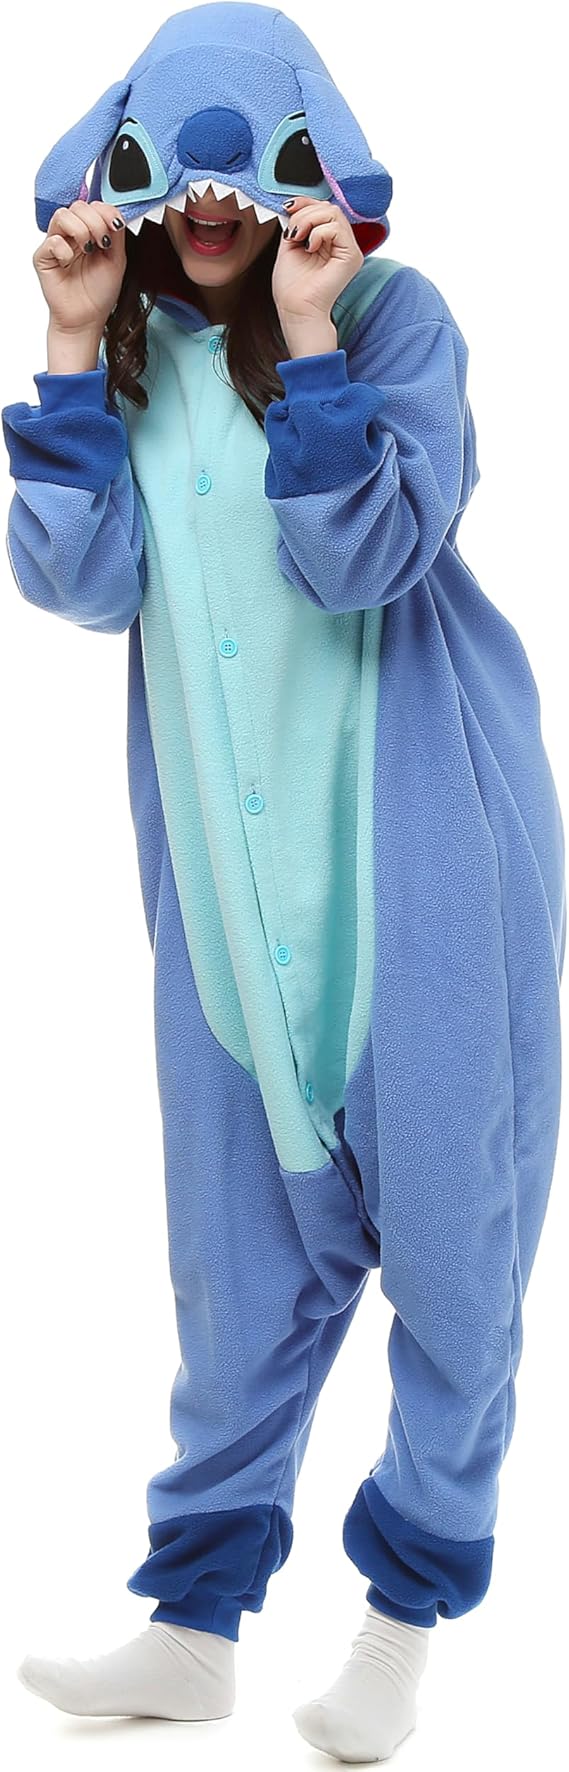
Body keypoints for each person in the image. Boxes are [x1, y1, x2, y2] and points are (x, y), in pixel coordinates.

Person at [2, 3, 565, 1762]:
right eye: (170, 177)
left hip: (423, 865)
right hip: (229, 901)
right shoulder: (134, 355)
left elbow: (369, 558)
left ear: (308, 168)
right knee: (237, 1268)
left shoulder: (396, 326)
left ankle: (400, 1627)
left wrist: (310, 336)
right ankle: (191, 1630)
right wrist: (69, 346)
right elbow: (80, 586)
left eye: (243, 173)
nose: (207, 209)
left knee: (454, 1260)